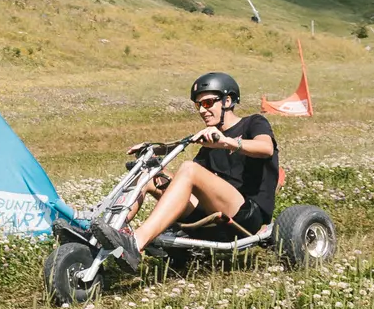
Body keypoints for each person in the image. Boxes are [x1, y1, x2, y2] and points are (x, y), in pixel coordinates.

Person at [94, 72, 277, 269]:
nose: (202, 110)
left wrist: (227, 142)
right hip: (214, 213)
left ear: (228, 101)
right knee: (150, 175)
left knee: (189, 169)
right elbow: (188, 184)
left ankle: (137, 242)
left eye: (207, 103)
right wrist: (153, 160)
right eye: (198, 105)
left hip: (247, 215)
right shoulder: (210, 142)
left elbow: (265, 148)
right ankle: (105, 234)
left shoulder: (253, 123)